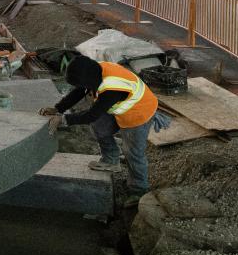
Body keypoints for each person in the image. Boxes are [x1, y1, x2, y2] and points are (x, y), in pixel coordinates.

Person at [40, 55, 158, 207]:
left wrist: (64, 119)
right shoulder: (95, 70)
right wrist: (58, 108)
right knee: (99, 126)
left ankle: (139, 190)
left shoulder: (111, 87)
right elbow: (79, 92)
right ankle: (111, 160)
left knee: (132, 152)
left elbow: (92, 114)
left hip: (139, 113)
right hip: (120, 106)